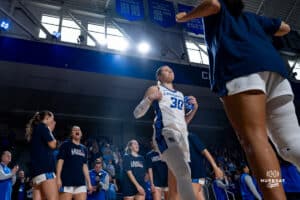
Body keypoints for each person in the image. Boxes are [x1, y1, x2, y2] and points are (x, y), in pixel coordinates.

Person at [176, 0, 298, 199]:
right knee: (291, 144)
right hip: (274, 70)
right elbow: (285, 28)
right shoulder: (253, 18)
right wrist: (259, 32)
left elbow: (213, 4)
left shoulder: (218, 12)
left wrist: (186, 16)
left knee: (254, 139)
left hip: (240, 66)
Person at [133, 65, 198, 200]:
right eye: (166, 70)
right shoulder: (155, 89)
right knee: (183, 170)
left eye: (171, 70)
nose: (170, 71)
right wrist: (150, 99)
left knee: (174, 183)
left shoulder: (180, 95)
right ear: (159, 76)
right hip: (165, 133)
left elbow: (183, 123)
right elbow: (137, 113)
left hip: (181, 136)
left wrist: (194, 110)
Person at [26, 111, 58, 200]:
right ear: (47, 118)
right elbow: (53, 144)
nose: (53, 122)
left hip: (37, 175)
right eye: (52, 119)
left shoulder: (36, 129)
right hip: (46, 172)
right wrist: (50, 130)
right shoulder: (43, 127)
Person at [56, 125, 93, 200]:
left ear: (81, 134)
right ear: (71, 134)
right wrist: (58, 178)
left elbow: (85, 166)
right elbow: (60, 161)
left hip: (80, 182)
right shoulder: (65, 145)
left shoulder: (84, 148)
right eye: (74, 130)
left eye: (79, 130)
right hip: (66, 181)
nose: (77, 131)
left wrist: (89, 183)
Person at [188, 133, 223, 200]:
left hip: (196, 176)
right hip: (192, 177)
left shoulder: (190, 136)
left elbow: (205, 151)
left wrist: (215, 168)